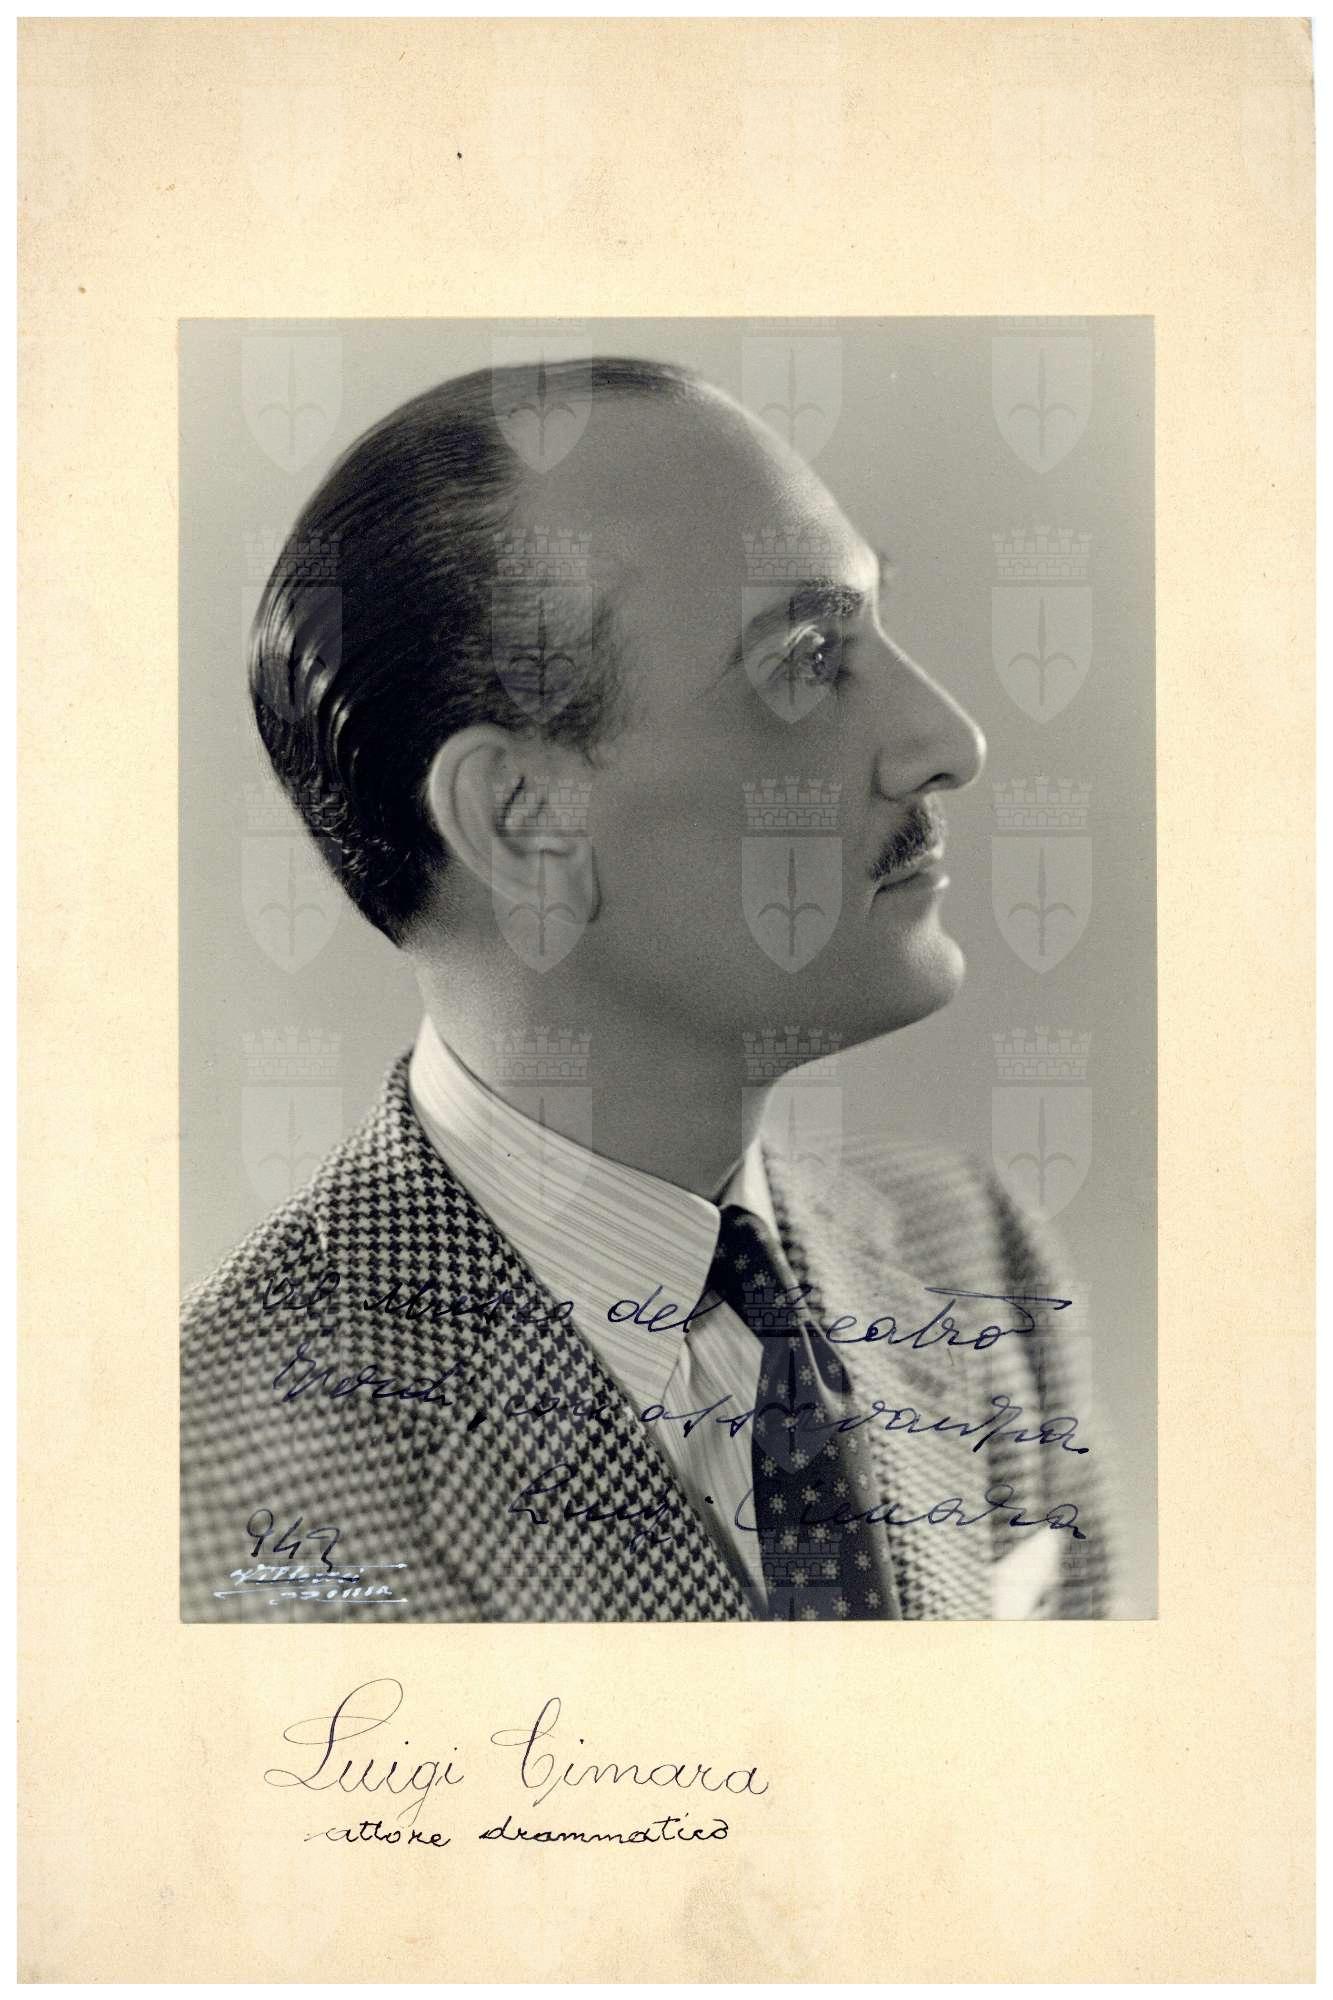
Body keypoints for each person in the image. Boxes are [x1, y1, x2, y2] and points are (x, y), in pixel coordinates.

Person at [181, 355, 1114, 1623]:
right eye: (807, 657)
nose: (949, 739)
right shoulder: (196, 1493)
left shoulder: (973, 1259)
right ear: (523, 817)